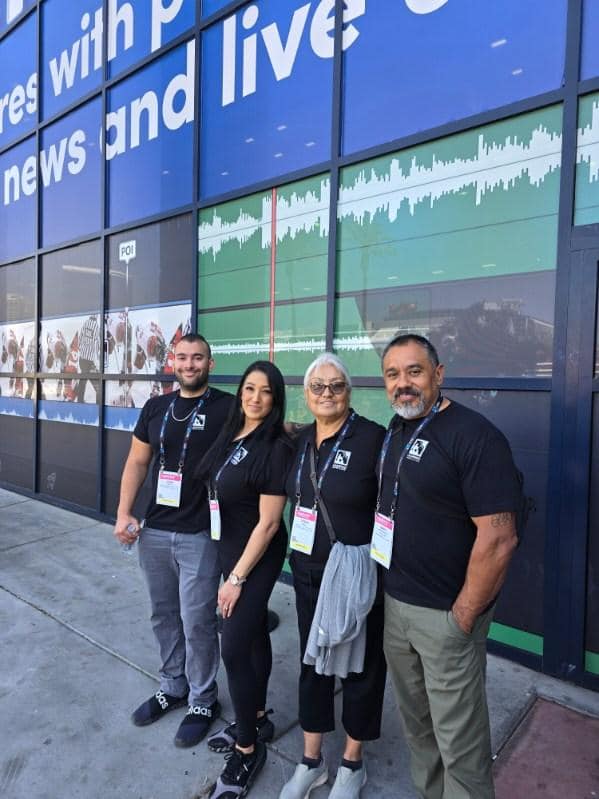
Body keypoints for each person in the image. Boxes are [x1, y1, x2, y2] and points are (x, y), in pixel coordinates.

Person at [377, 334, 521, 799]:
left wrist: (463, 617)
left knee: (460, 744)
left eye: (414, 371)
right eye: (393, 374)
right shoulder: (396, 430)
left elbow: (499, 538)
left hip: (445, 616)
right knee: (419, 727)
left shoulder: (474, 436)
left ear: (438, 374)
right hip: (397, 607)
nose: (403, 383)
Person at [113, 334, 234, 748]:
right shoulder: (155, 407)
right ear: (172, 362)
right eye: (182, 357)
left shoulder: (228, 407)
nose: (189, 364)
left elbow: (268, 434)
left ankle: (203, 699)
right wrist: (124, 512)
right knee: (163, 614)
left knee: (197, 620)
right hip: (155, 531)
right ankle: (173, 685)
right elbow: (137, 461)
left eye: (198, 358)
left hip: (201, 534)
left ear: (210, 364)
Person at [279, 353, 387, 799]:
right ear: (306, 394)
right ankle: (312, 761)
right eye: (318, 386)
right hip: (307, 572)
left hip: (356, 576)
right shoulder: (300, 439)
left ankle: (352, 765)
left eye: (336, 385)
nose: (327, 393)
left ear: (349, 391)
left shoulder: (374, 439)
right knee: (313, 665)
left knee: (361, 669)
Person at [197, 361, 294, 799]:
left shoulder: (274, 446)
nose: (255, 398)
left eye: (266, 391)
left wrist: (236, 578)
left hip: (255, 557)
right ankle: (255, 717)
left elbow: (269, 523)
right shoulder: (232, 433)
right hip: (230, 549)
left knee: (233, 647)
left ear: (276, 398)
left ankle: (247, 749)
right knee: (252, 635)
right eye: (250, 388)